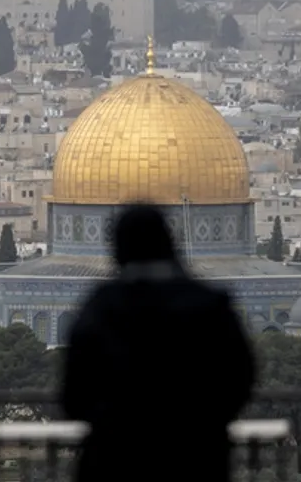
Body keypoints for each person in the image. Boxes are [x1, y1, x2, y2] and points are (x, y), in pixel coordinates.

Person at [61, 204, 256, 482]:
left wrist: (114, 420)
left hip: (115, 459)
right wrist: (203, 422)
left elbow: (74, 394)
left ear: (118, 248)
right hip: (195, 457)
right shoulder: (209, 303)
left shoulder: (101, 307)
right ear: (168, 242)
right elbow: (241, 379)